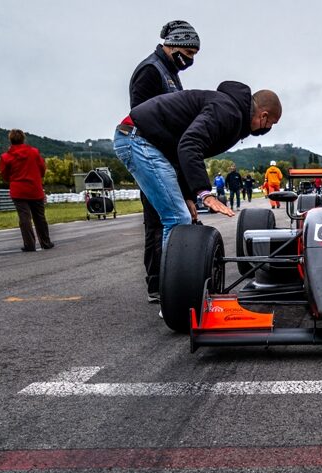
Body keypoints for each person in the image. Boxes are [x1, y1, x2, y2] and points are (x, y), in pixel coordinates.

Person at [113, 83, 281, 244]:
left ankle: (168, 270)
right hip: (138, 138)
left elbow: (181, 152)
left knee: (182, 214)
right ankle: (175, 273)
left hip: (149, 141)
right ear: (263, 115)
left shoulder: (230, 111)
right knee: (177, 218)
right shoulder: (227, 111)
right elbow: (189, 145)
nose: (266, 129)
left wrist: (188, 196)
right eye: (270, 124)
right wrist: (204, 193)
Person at [129, 19, 200, 303]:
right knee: (159, 222)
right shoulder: (150, 70)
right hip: (151, 153)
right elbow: (144, 119)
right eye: (190, 54)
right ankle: (159, 284)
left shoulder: (170, 72)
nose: (191, 61)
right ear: (176, 45)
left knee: (168, 219)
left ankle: (168, 279)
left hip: (167, 156)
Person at [0, 129, 53, 252]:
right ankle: (46, 242)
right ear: (24, 139)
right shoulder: (34, 152)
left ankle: (29, 244)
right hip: (35, 188)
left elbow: (4, 175)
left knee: (24, 218)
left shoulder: (6, 157)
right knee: (39, 217)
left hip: (18, 190)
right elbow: (42, 169)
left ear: (10, 140)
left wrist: (14, 179)